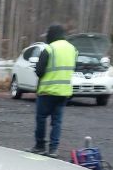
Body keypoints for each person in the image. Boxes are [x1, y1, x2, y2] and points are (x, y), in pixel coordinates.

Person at [30, 24, 77, 158]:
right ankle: (53, 149)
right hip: (64, 92)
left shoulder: (49, 49)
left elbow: (39, 71)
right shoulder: (72, 49)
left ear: (51, 35)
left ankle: (40, 146)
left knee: (41, 118)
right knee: (57, 122)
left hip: (47, 91)